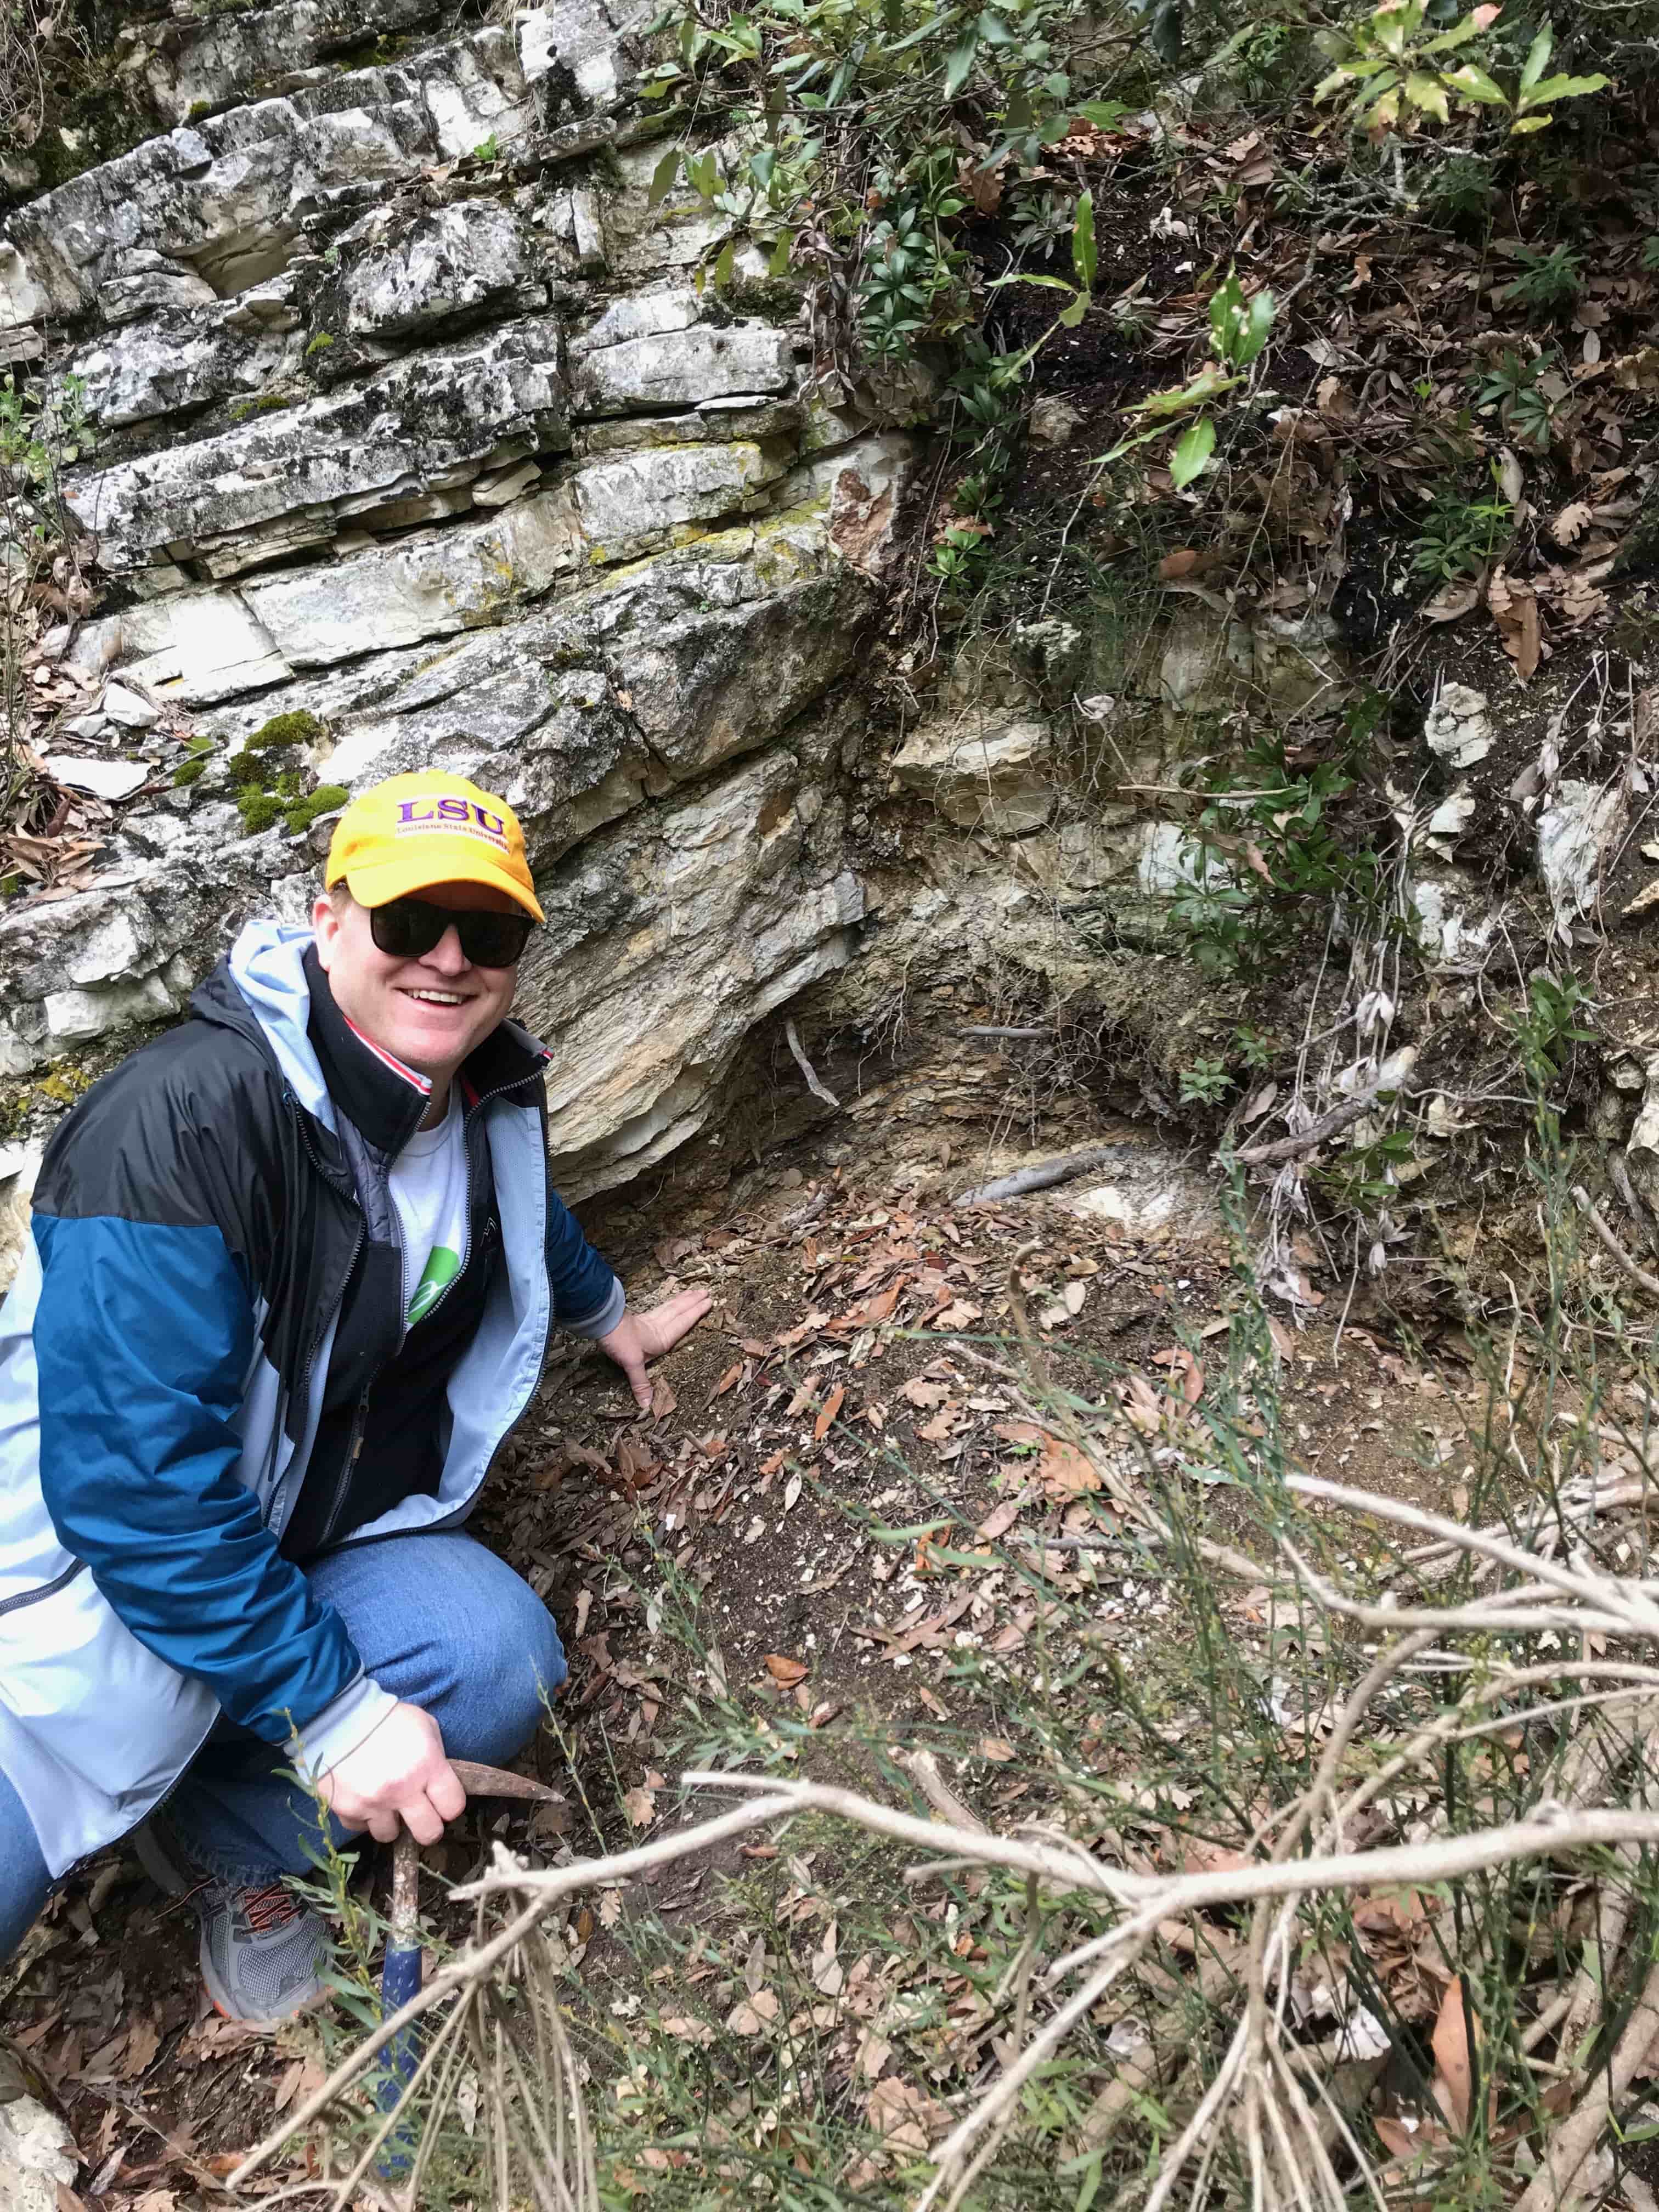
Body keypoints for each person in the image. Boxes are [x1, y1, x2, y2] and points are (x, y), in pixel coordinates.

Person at [0, 770, 708, 2024]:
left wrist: (615, 1320)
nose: (447, 959)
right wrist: (334, 1712)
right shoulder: (182, 1126)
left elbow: (527, 1219)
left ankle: (223, 1831)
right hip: (51, 1619)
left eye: (486, 933)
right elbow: (133, 1492)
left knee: (491, 1653)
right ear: (330, 923)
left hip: (280, 1536)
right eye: (406, 922)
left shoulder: (476, 1091)